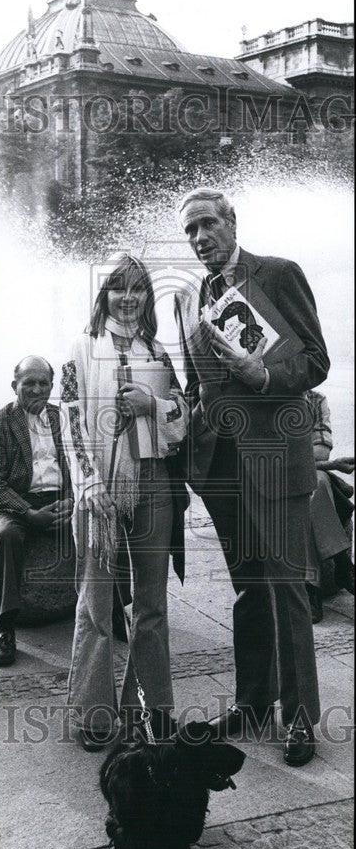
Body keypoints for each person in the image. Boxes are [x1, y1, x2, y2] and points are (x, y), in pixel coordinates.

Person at [175, 187, 330, 766]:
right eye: (190, 230)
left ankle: (298, 718)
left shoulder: (280, 273)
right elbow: (196, 383)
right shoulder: (187, 298)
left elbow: (316, 360)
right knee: (247, 589)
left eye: (208, 224)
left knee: (288, 588)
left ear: (232, 221)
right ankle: (253, 701)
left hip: (274, 458)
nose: (200, 238)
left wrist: (264, 375)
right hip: (219, 467)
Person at [60, 253, 188, 751]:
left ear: (146, 297)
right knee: (96, 601)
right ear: (105, 295)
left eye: (138, 289)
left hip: (153, 483)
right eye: (119, 288)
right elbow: (69, 419)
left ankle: (148, 711)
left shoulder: (157, 350)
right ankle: (93, 714)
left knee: (152, 605)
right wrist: (89, 483)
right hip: (101, 488)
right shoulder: (79, 349)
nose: (128, 298)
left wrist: (151, 405)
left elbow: (181, 414)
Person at [0, 356, 73, 665]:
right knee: (7, 536)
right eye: (29, 383)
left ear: (52, 386)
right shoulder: (1, 421)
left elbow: (81, 468)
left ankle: (115, 611)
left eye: (44, 383)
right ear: (15, 386)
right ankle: (6, 627)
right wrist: (29, 513)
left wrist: (72, 501)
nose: (37, 389)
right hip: (17, 502)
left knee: (103, 522)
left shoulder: (63, 417)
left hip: (60, 499)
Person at [305, 389, 354, 623]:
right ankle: (344, 565)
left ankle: (310, 586)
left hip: (306, 477)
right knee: (311, 481)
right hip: (269, 477)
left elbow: (321, 451)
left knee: (315, 483)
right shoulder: (263, 396)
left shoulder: (315, 399)